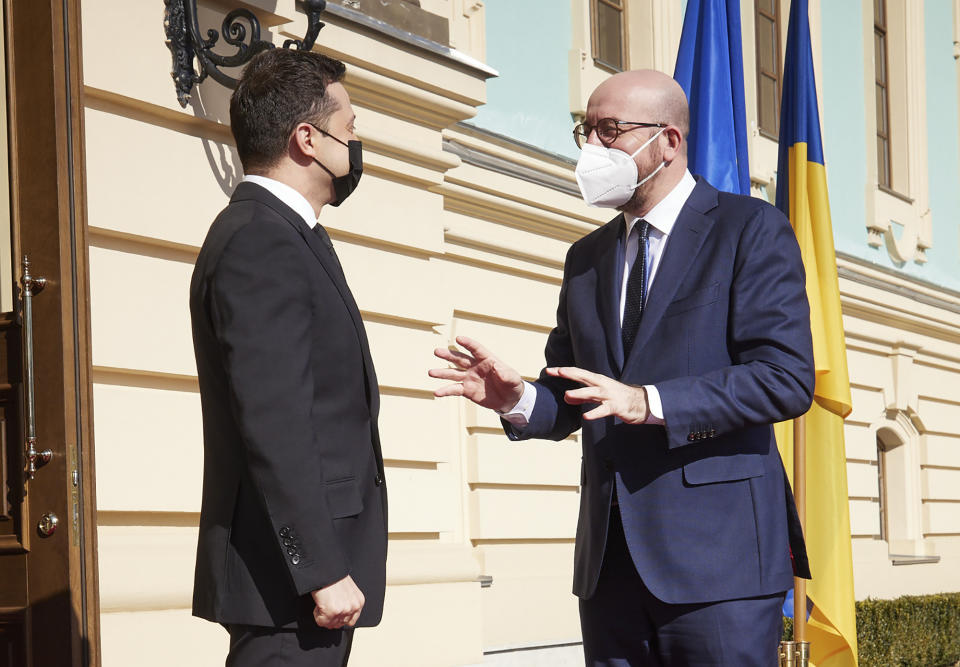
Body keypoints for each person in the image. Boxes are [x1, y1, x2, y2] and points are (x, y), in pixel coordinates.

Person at [430, 69, 814, 666]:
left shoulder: (749, 229)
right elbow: (577, 394)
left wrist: (650, 401)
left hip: (720, 568)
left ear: (668, 141)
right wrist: (516, 399)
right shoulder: (586, 258)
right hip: (609, 569)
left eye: (610, 131)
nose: (592, 149)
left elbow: (785, 378)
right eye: (584, 131)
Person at [190, 48, 387, 667]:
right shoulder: (261, 241)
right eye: (350, 129)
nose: (355, 144)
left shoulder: (288, 236)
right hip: (289, 589)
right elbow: (274, 422)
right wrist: (321, 570)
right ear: (308, 137)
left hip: (298, 587)